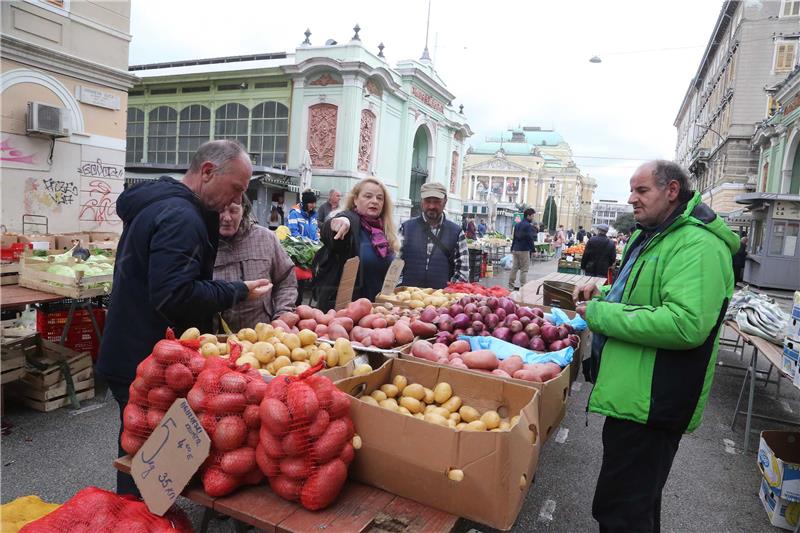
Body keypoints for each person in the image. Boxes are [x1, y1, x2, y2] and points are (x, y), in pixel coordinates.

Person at [96, 140, 273, 496]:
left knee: (147, 450)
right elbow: (175, 295)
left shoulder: (161, 204)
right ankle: (136, 518)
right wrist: (236, 290)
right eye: (236, 188)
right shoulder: (181, 216)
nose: (237, 200)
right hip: (146, 358)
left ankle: (144, 514)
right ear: (207, 171)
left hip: (138, 349)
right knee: (145, 452)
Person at [573, 160, 738, 532]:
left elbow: (685, 324)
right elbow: (642, 294)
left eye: (641, 190)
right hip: (633, 394)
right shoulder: (652, 234)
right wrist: (604, 292)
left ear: (672, 191)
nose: (632, 199)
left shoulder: (698, 245)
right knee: (636, 505)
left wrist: (600, 315)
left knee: (621, 512)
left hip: (653, 400)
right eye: (632, 190)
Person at [313, 177, 399, 311]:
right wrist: (339, 222)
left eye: (379, 198)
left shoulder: (385, 232)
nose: (374, 201)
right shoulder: (349, 223)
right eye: (368, 196)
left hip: (378, 312)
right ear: (355, 200)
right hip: (346, 312)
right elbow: (330, 233)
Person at [214, 195, 298, 332]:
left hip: (262, 341)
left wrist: (281, 314)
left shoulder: (265, 238)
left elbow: (286, 280)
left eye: (233, 211)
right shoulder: (203, 242)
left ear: (244, 210)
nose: (227, 218)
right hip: (217, 343)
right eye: (220, 211)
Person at [399, 182, 470, 289]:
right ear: (422, 201)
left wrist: (448, 293)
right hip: (407, 300)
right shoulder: (406, 228)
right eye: (428, 201)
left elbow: (463, 272)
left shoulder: (456, 232)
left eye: (437, 202)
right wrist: (400, 288)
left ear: (445, 201)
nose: (432, 206)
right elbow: (395, 264)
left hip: (442, 302)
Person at [509, 208, 536, 290]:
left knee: (514, 268)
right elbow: (530, 238)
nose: (533, 218)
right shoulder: (528, 226)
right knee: (524, 269)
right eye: (532, 216)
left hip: (515, 249)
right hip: (524, 249)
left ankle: (510, 285)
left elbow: (514, 237)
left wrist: (512, 248)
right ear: (528, 216)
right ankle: (523, 286)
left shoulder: (517, 225)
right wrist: (533, 250)